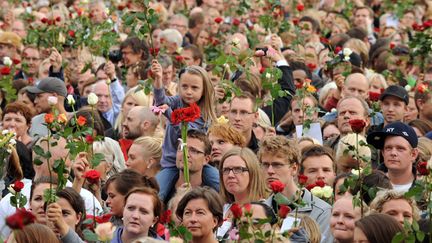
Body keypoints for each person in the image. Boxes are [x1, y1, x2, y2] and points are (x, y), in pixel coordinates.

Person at [150, 60, 219, 203]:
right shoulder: (177, 101)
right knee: (156, 193)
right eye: (184, 86)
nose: (188, 92)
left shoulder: (204, 114)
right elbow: (161, 100)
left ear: (204, 90)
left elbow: (186, 130)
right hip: (171, 163)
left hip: (198, 165)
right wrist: (158, 80)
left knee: (221, 183)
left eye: (194, 88)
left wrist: (167, 112)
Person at [258, 135, 333, 243]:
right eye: (265, 165)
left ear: (294, 168)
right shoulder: (261, 210)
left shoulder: (322, 211)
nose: (270, 171)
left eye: (277, 165)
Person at [367, 121, 419, 192]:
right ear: (383, 152)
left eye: (400, 148)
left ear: (413, 154)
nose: (393, 153)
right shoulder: (368, 185)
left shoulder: (426, 187)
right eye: (388, 148)